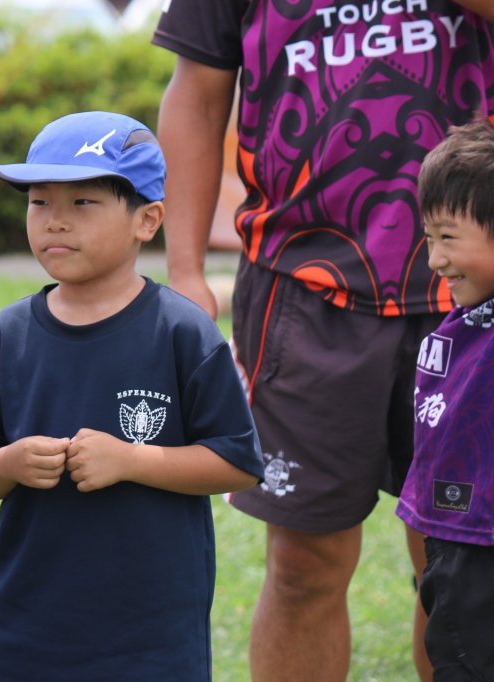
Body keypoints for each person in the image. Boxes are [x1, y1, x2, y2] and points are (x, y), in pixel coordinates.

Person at [151, 2, 494, 680]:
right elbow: (197, 94)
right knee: (304, 562)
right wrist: (186, 270)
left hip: (471, 290)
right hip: (303, 287)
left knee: (460, 556)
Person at [0, 110, 265, 681]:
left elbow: (237, 463)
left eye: (82, 203)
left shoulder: (181, 331)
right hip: (27, 623)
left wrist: (131, 460)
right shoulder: (10, 333)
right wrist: (10, 464)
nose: (55, 221)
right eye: (39, 202)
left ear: (147, 220)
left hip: (151, 630)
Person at [396, 117, 494, 682]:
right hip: (452, 545)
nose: (434, 259)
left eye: (448, 238)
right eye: (429, 238)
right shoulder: (462, 322)